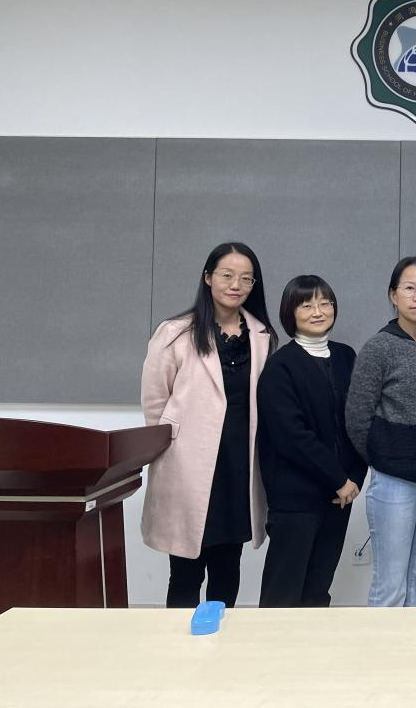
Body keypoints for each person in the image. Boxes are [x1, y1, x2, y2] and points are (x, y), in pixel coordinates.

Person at [140, 241, 277, 608]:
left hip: (239, 466)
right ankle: (178, 641)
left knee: (228, 565)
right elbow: (154, 402)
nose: (236, 285)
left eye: (246, 278)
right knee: (186, 570)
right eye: (227, 275)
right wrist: (168, 450)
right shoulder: (175, 332)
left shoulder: (262, 335)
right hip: (189, 465)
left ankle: (220, 637)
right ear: (208, 278)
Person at [345, 257, 416, 607]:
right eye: (409, 288)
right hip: (394, 482)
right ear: (393, 295)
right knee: (391, 585)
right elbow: (357, 417)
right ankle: (382, 644)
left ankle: (415, 644)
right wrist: (384, 456)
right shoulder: (379, 347)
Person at [256, 275, 365, 607]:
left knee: (318, 591)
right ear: (291, 312)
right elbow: (292, 437)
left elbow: (359, 420)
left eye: (325, 303)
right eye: (306, 305)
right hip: (296, 499)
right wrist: (338, 479)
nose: (318, 311)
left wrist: (353, 479)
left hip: (340, 497)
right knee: (283, 593)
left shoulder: (346, 356)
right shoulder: (280, 367)